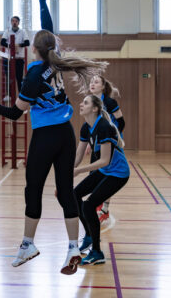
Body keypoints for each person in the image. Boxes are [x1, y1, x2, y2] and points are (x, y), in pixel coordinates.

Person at [0, 0, 106, 275]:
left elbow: (16, 113)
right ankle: (73, 247)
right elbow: (48, 32)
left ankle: (28, 244)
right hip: (66, 134)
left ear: (34, 49)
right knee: (66, 191)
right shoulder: (56, 61)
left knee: (33, 189)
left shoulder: (34, 75)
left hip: (45, 137)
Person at [73, 95, 128, 265]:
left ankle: (97, 252)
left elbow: (104, 160)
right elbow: (78, 155)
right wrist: (66, 175)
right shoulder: (86, 127)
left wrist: (78, 171)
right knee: (75, 195)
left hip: (118, 173)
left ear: (95, 108)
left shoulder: (104, 127)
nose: (81, 104)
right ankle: (89, 236)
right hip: (105, 170)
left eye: (86, 102)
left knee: (89, 205)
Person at [89, 75, 125, 223]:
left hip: (110, 144)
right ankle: (97, 205)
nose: (92, 84)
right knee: (94, 175)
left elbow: (121, 122)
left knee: (107, 176)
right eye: (91, 82)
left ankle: (104, 209)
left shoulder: (110, 102)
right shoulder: (90, 102)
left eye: (96, 82)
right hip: (97, 144)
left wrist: (113, 139)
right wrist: (89, 142)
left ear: (103, 87)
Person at [1, 16, 30, 93]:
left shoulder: (23, 31)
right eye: (13, 21)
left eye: (16, 21)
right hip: (9, 59)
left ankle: (21, 96)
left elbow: (27, 43)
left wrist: (18, 45)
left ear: (18, 23)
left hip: (19, 59)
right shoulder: (7, 31)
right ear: (11, 22)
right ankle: (9, 96)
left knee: (19, 78)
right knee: (8, 78)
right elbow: (2, 42)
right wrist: (11, 46)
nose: (14, 22)